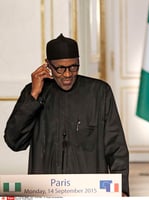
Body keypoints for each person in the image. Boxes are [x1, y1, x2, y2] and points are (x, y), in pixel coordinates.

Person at [4, 34, 130, 196]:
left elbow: (116, 147)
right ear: (47, 65)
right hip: (45, 191)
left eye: (73, 67)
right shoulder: (35, 93)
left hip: (89, 191)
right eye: (60, 68)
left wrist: (122, 189)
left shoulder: (99, 92)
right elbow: (14, 142)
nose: (68, 74)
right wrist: (33, 96)